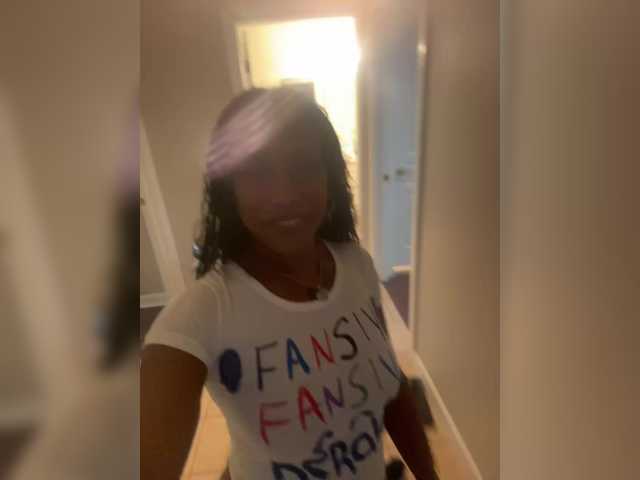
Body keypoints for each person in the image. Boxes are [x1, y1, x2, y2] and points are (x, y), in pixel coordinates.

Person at [141, 88, 438, 479]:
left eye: (304, 167)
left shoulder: (357, 266)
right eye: (257, 172)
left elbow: (391, 386)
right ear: (230, 189)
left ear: (329, 178)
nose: (284, 194)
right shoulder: (200, 314)